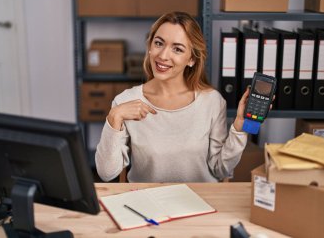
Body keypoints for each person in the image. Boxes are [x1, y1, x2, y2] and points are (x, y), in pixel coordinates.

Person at [95, 11, 249, 183]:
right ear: (150, 47)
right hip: (146, 203)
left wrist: (239, 129)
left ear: (191, 59)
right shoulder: (124, 102)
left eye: (177, 49)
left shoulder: (212, 101)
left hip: (198, 201)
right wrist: (114, 116)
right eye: (159, 43)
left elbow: (220, 169)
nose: (163, 56)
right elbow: (106, 173)